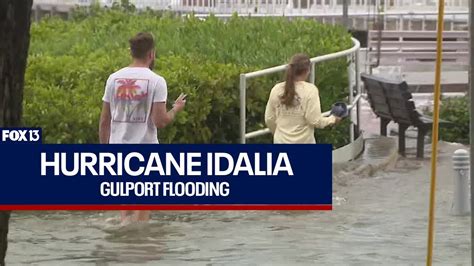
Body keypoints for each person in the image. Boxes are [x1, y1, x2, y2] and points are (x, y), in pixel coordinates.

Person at [99, 32, 186, 223]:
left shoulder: (113, 79)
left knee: (125, 213)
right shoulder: (156, 81)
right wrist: (176, 109)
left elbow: (105, 120)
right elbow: (160, 121)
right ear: (151, 54)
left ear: (132, 52)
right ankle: (141, 249)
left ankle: (124, 249)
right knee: (142, 214)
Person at [265, 53, 340, 144]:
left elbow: (269, 118)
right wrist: (332, 119)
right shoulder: (310, 90)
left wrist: (278, 134)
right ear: (307, 71)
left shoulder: (276, 89)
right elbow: (314, 120)